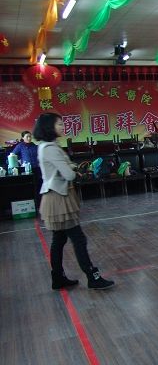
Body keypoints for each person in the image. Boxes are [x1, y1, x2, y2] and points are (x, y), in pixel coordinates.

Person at [34, 113, 114, 290]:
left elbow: (66, 166)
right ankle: (92, 277)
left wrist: (70, 167)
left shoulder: (47, 146)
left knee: (59, 239)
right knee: (78, 239)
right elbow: (69, 174)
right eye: (59, 124)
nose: (63, 127)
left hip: (55, 196)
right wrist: (72, 169)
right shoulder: (50, 148)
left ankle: (58, 277)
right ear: (49, 127)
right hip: (59, 198)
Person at [12, 130, 42, 206]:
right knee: (29, 187)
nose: (29, 138)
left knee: (38, 186)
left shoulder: (34, 146)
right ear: (23, 138)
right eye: (27, 137)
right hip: (27, 170)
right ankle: (31, 204)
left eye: (30, 136)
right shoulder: (20, 146)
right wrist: (18, 162)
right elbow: (13, 155)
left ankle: (38, 203)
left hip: (36, 168)